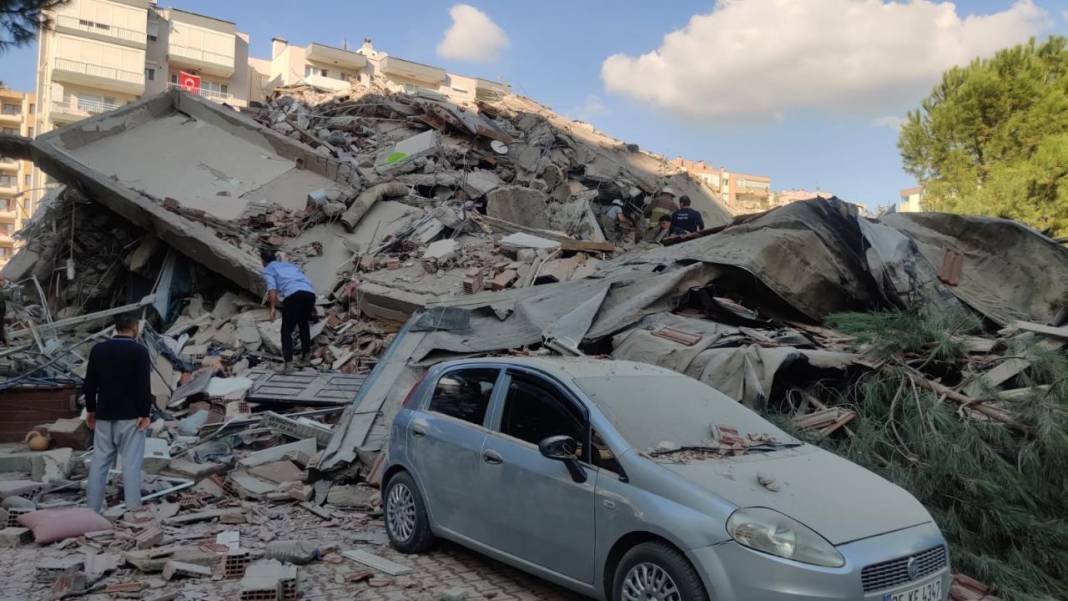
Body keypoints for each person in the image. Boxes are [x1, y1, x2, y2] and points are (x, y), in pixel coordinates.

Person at [84, 312, 152, 513]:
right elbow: (143, 385)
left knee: (99, 464)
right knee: (130, 465)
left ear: (116, 327)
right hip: (131, 416)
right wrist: (145, 413)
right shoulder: (139, 351)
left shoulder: (98, 350)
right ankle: (133, 511)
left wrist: (91, 409)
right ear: (134, 327)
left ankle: (91, 510)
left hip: (104, 414)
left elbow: (89, 383)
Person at [261, 248, 316, 370]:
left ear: (263, 261)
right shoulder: (289, 265)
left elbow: (272, 289)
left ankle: (288, 365)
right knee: (303, 324)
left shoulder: (268, 269)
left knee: (286, 331)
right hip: (309, 293)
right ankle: (306, 356)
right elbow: (304, 280)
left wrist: (273, 308)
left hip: (294, 295)